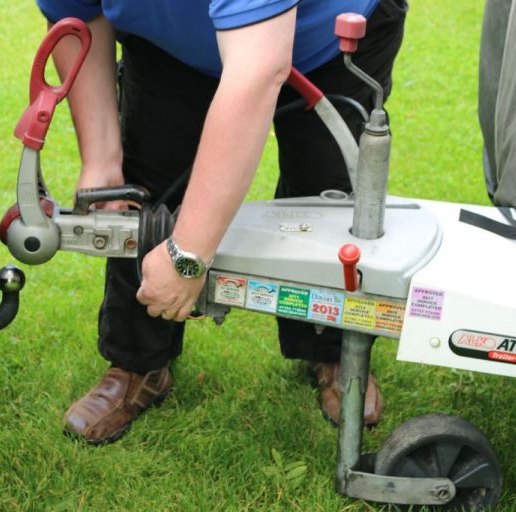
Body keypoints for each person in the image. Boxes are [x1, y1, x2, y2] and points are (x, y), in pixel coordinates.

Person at [37, 0, 407, 444]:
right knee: (147, 189)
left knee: (325, 194)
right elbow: (76, 14)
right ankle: (138, 364)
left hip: (328, 33)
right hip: (172, 44)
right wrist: (100, 157)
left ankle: (334, 352)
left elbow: (256, 73)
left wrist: (188, 254)